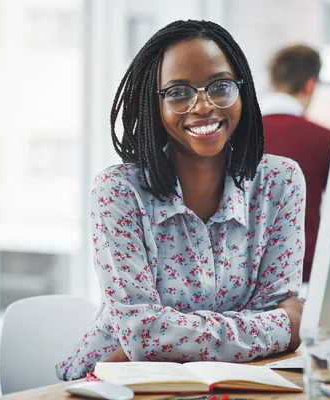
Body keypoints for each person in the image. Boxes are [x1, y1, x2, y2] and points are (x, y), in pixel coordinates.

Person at [56, 20, 305, 381]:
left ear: (243, 91)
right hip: (110, 383)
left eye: (219, 87)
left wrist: (175, 335)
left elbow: (279, 314)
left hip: (239, 382)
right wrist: (276, 325)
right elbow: (144, 336)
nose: (203, 106)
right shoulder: (118, 192)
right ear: (153, 103)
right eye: (178, 92)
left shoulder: (280, 183)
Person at [260, 44, 330, 283]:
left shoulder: (232, 135)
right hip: (304, 272)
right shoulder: (326, 140)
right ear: (311, 84)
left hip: (239, 273)